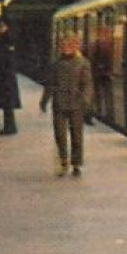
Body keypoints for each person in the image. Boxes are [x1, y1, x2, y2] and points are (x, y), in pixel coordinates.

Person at [42, 33, 94, 176]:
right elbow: (50, 84)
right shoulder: (56, 64)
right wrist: (44, 100)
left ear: (76, 46)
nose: (66, 47)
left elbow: (87, 84)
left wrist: (86, 100)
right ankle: (63, 161)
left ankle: (76, 163)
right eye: (63, 45)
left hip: (77, 105)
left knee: (76, 135)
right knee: (60, 134)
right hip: (59, 104)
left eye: (70, 45)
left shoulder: (83, 63)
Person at [0, 18, 22, 134]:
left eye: (1, 25)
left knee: (7, 102)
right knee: (7, 103)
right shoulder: (6, 38)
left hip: (5, 76)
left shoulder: (6, 38)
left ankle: (9, 127)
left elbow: (2, 55)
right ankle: (9, 126)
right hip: (6, 75)